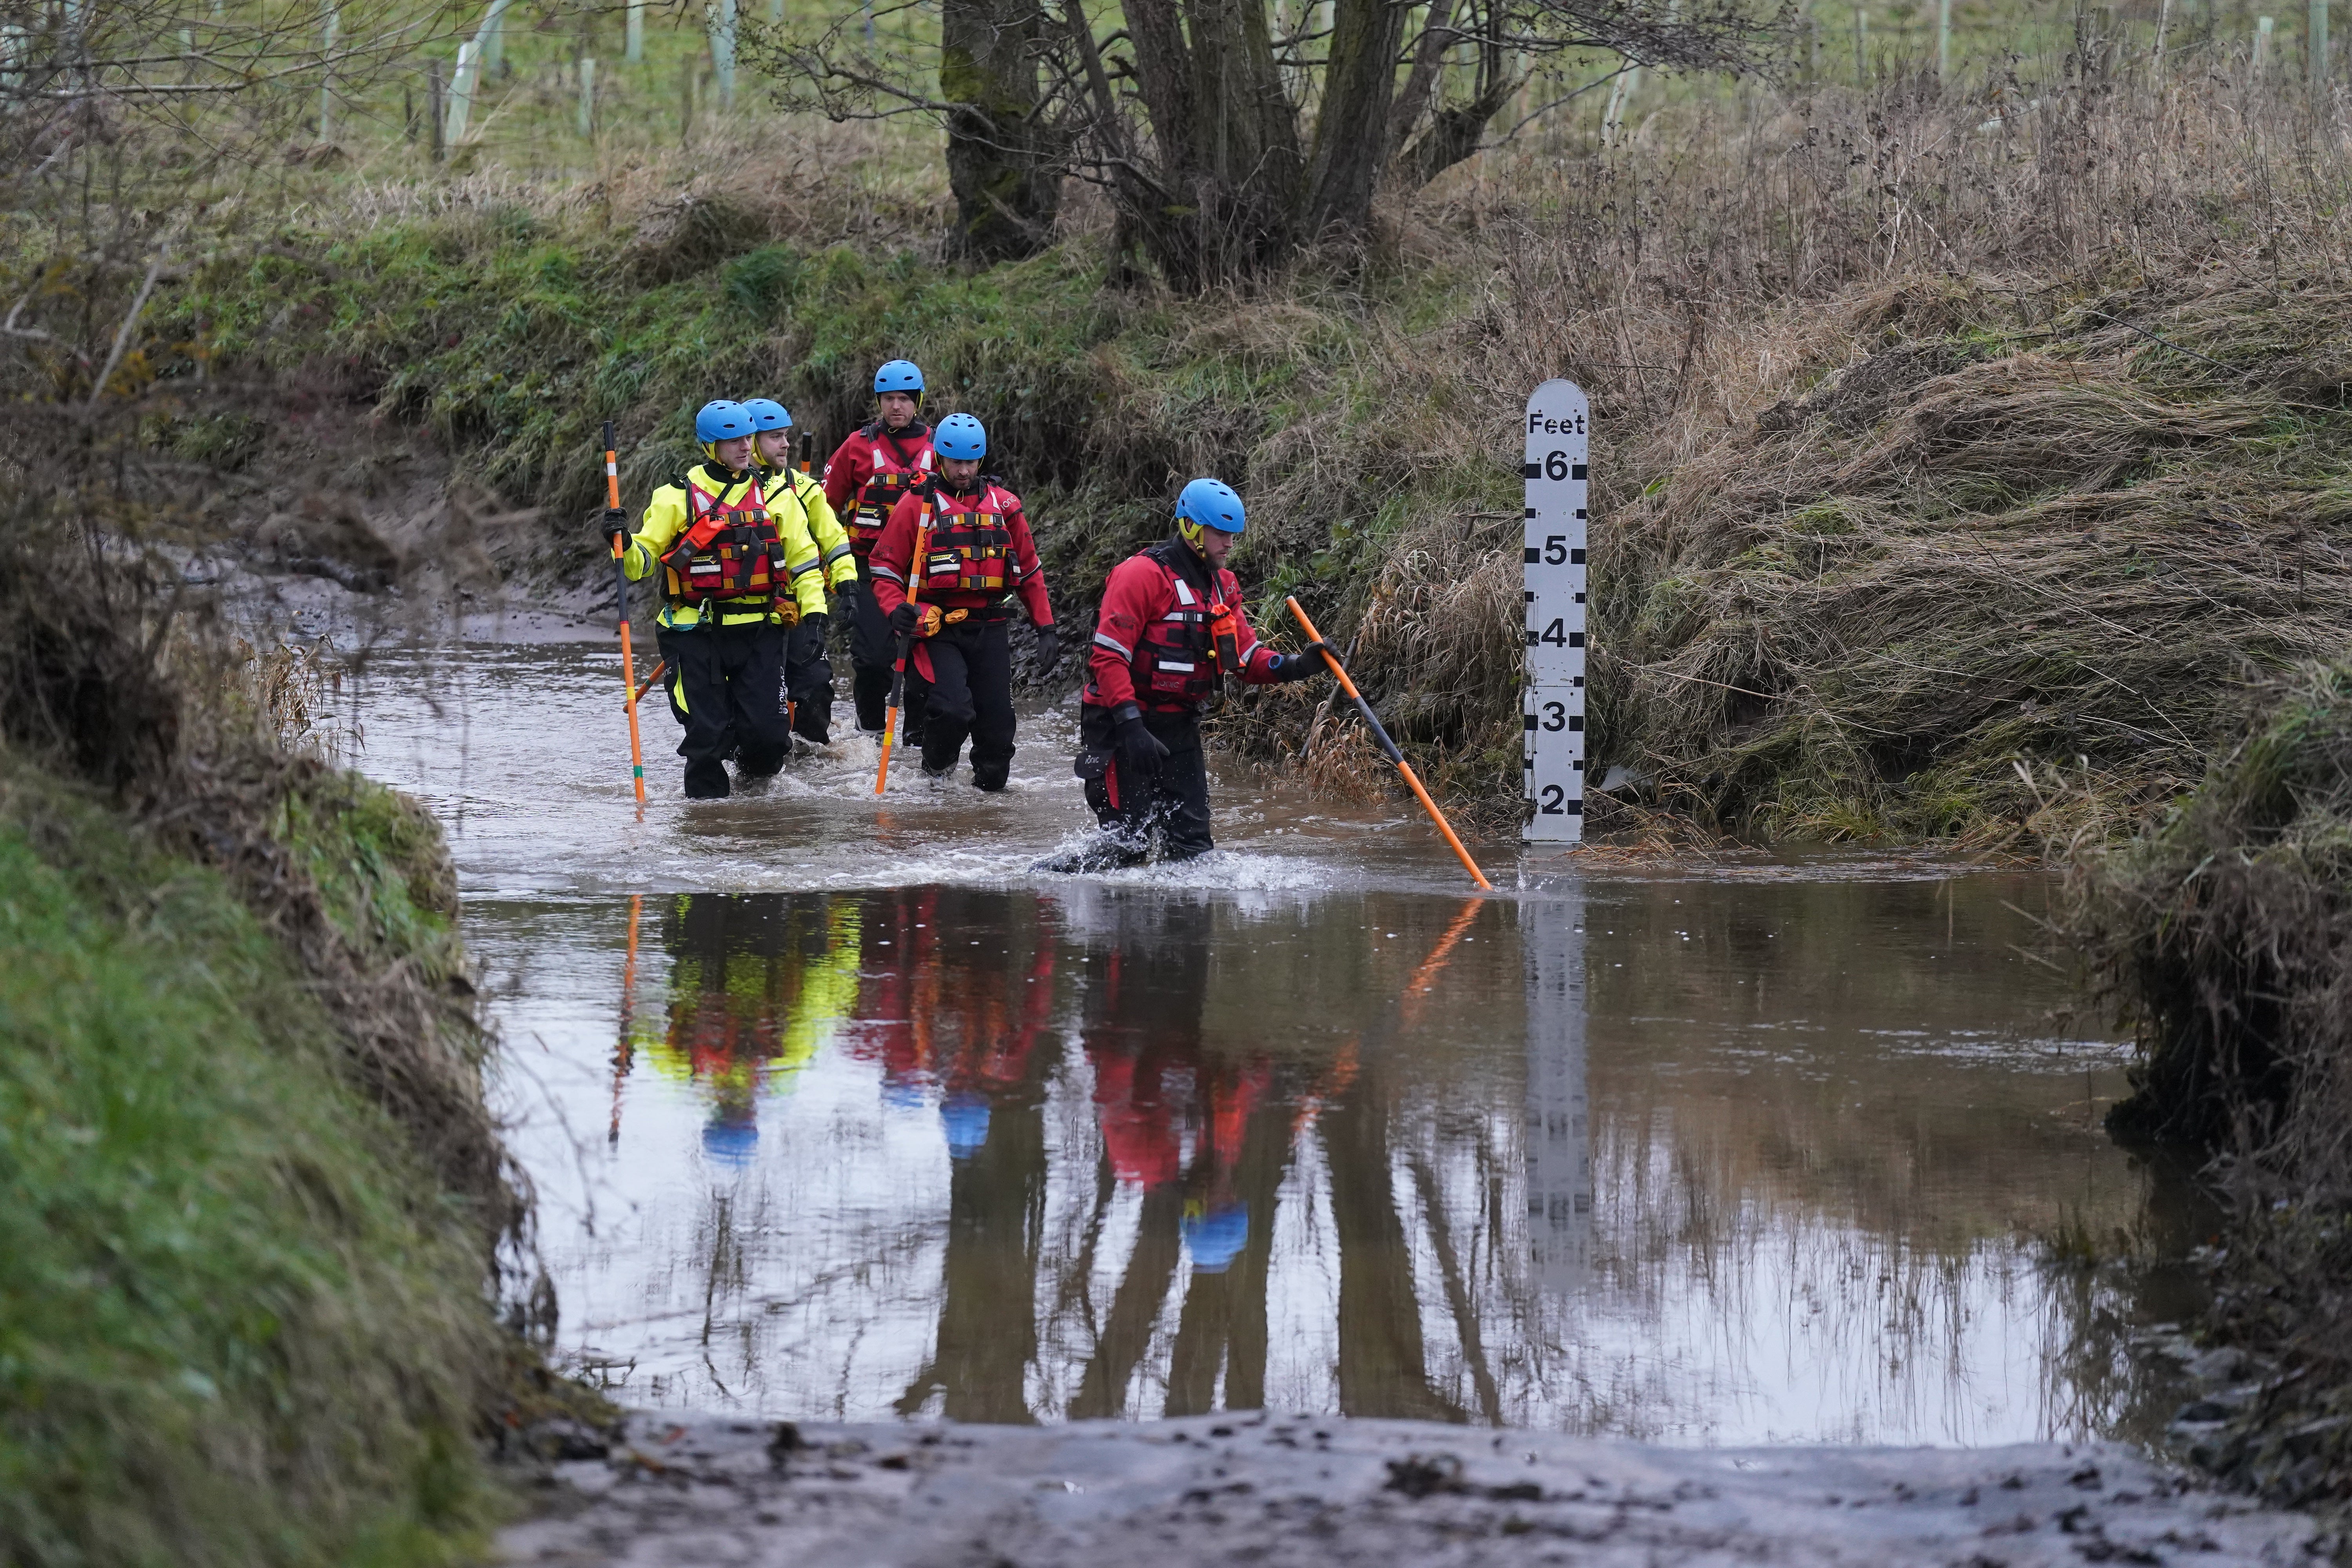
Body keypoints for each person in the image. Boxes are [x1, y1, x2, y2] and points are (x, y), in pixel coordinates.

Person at [1067, 478, 1327, 862]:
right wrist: (1131, 726)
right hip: (1121, 727)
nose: (1230, 544)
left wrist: (1298, 665)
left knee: (1193, 853)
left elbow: (1244, 657)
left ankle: (1185, 922)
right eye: (1221, 533)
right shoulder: (1140, 575)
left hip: (1179, 727)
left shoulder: (1223, 586)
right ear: (1191, 527)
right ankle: (1047, 888)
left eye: (1233, 534)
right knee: (1126, 850)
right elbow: (1108, 658)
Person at [601, 399, 825, 799]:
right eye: (731, 441)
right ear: (710, 446)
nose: (743, 447)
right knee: (706, 737)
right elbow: (641, 564)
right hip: (695, 632)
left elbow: (804, 564)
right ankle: (708, 828)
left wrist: (816, 616)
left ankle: (751, 802)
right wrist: (622, 541)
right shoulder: (676, 496)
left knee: (770, 740)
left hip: (759, 630)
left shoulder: (777, 496)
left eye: (746, 438)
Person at [866, 412, 1058, 791]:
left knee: (999, 729)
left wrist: (1046, 627)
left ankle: (986, 806)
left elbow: (1031, 572)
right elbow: (884, 564)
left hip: (990, 627)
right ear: (940, 459)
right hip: (939, 628)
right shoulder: (917, 505)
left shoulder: (1006, 507)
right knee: (953, 709)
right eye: (956, 462)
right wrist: (896, 609)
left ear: (981, 460)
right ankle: (935, 777)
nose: (964, 471)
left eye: (971, 462)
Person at [822, 360, 936, 736]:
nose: (896, 407)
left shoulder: (941, 446)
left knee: (924, 659)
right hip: (867, 567)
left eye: (904, 399)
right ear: (879, 401)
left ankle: (918, 742)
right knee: (872, 660)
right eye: (889, 399)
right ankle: (869, 733)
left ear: (918, 401)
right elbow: (824, 509)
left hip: (926, 571)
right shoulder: (857, 446)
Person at [745, 397, 856, 745]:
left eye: (787, 436)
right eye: (776, 437)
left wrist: (848, 584)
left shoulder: (805, 488)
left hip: (796, 607)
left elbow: (834, 538)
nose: (786, 444)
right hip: (743, 611)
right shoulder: (720, 492)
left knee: (816, 683)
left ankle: (810, 755)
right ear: (751, 441)